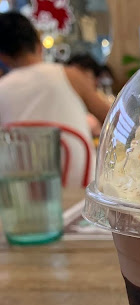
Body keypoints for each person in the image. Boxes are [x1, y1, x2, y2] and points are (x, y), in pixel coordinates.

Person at [0, 12, 110, 185]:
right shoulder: (70, 75)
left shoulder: (2, 88)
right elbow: (112, 119)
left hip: (25, 196)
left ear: (3, 57)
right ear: (39, 45)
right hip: (82, 192)